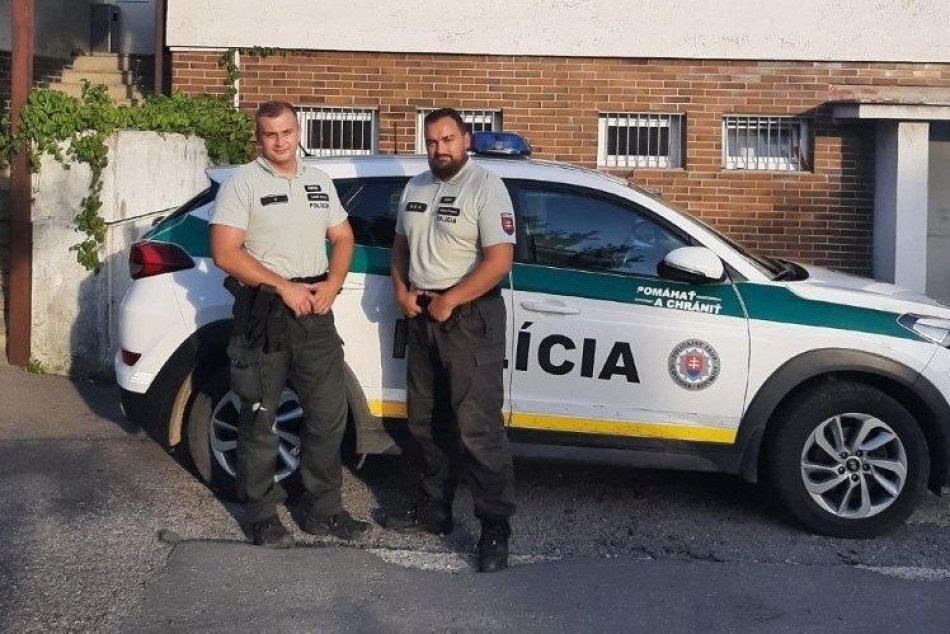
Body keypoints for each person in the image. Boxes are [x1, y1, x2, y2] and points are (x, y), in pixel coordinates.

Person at [210, 101, 369, 547]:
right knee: (260, 415)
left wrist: (333, 284)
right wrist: (284, 287)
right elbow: (225, 252)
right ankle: (261, 514)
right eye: (270, 134)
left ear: (298, 133)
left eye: (287, 132)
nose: (280, 141)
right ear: (258, 139)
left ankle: (323, 510)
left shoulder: (319, 180)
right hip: (265, 313)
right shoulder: (242, 184)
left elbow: (343, 236)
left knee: (329, 415)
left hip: (315, 312)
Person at [388, 108, 517, 572]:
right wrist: (401, 290)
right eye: (431, 141)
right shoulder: (416, 186)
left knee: (477, 430)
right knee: (425, 421)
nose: (439, 148)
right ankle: (434, 509)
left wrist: (452, 300)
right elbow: (400, 246)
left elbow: (499, 261)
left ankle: (494, 529)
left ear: (465, 139)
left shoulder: (486, 187)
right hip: (422, 314)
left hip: (469, 316)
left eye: (447, 139)